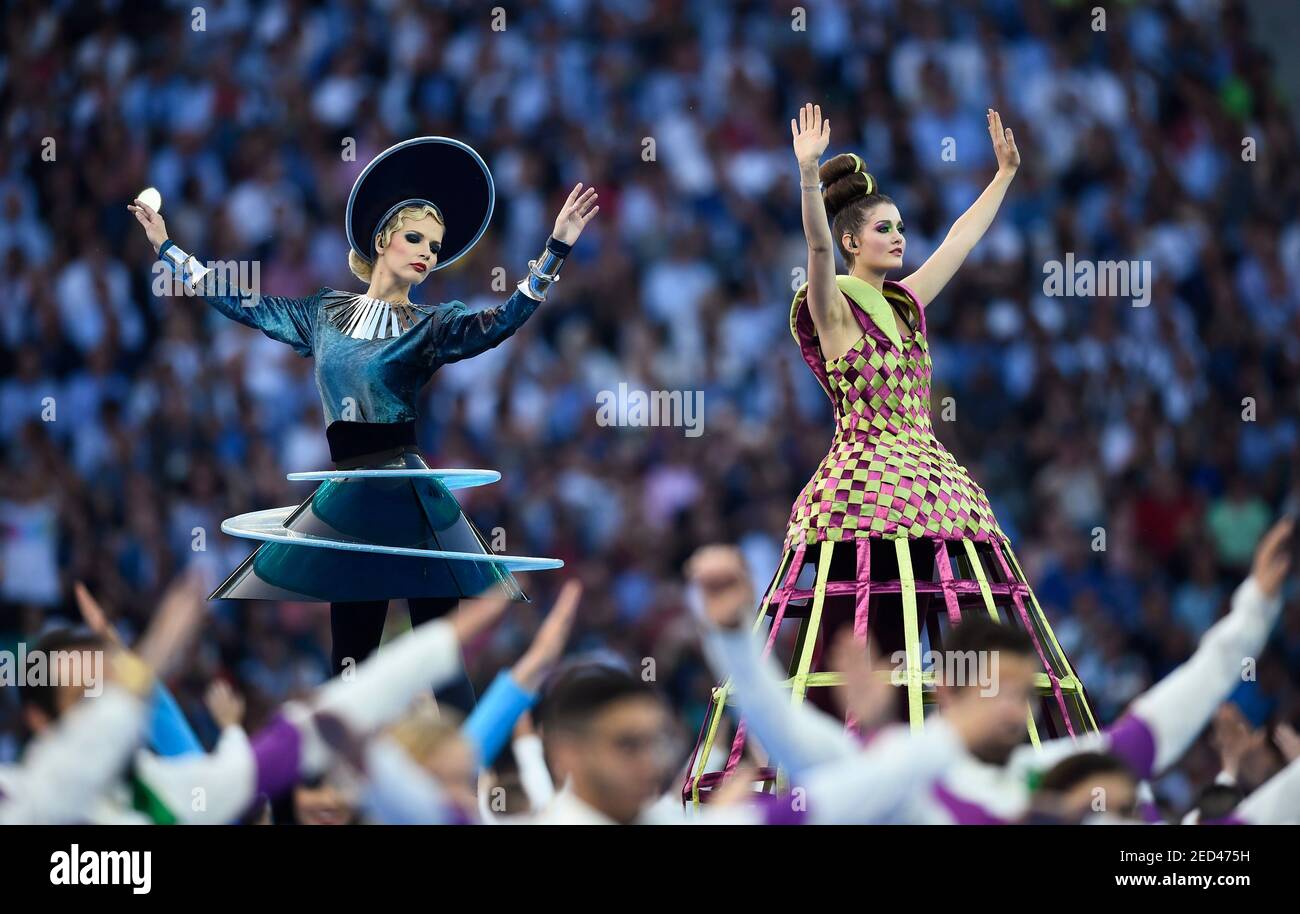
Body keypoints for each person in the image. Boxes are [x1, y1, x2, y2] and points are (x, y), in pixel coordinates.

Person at [685, 104, 1092, 800]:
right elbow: (813, 252)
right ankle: (834, 771)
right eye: (884, 228)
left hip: (936, 492)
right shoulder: (833, 306)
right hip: (861, 497)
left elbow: (958, 246)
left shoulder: (903, 306)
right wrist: (809, 176)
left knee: (950, 632)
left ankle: (967, 764)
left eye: (901, 227)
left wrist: (1002, 176)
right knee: (855, 636)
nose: (899, 237)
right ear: (851, 242)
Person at [128, 137, 598, 711]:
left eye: (436, 246)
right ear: (382, 240)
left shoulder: (432, 323)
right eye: (415, 238)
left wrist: (554, 251)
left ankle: (469, 784)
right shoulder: (323, 313)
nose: (428, 253)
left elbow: (499, 322)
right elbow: (241, 302)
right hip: (352, 497)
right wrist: (168, 249)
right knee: (350, 667)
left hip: (407, 492)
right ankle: (345, 790)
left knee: (440, 662)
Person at [686, 519, 1293, 823]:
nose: (1011, 707)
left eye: (1022, 692)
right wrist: (736, 637)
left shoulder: (1055, 775)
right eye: (992, 689)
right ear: (945, 689)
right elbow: (794, 740)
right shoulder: (909, 783)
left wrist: (1255, 610)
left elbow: (1165, 724)